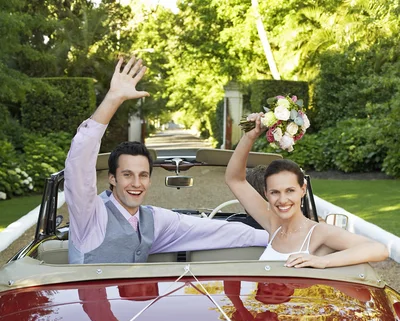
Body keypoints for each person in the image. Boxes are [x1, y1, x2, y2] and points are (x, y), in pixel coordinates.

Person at [65, 56, 269, 264]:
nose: (136, 183)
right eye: (127, 175)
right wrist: (113, 98)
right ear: (112, 179)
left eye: (143, 175)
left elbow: (217, 231)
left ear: (150, 181)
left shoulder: (153, 220)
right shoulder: (89, 215)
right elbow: (79, 161)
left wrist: (283, 239)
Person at [225, 114, 389, 268]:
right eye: (275, 192)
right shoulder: (273, 224)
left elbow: (379, 250)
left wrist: (323, 261)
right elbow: (235, 179)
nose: (283, 200)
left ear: (302, 189)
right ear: (266, 194)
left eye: (290, 190)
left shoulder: (318, 232)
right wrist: (250, 136)